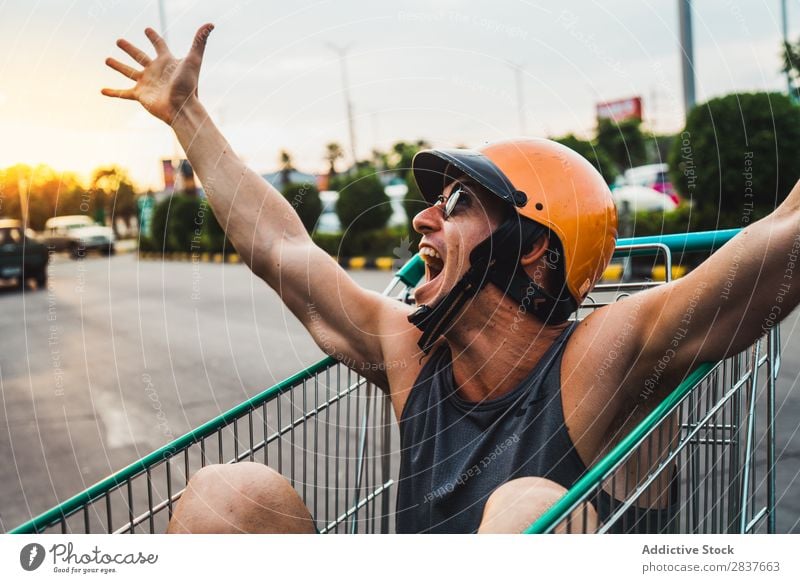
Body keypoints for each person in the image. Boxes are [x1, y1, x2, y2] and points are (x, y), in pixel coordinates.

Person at [103, 25, 800, 534]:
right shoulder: (412, 355)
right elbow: (281, 247)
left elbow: (776, 245)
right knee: (227, 494)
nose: (422, 220)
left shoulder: (604, 357)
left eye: (459, 202)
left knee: (528, 507)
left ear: (533, 249)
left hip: (549, 521)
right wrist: (187, 115)